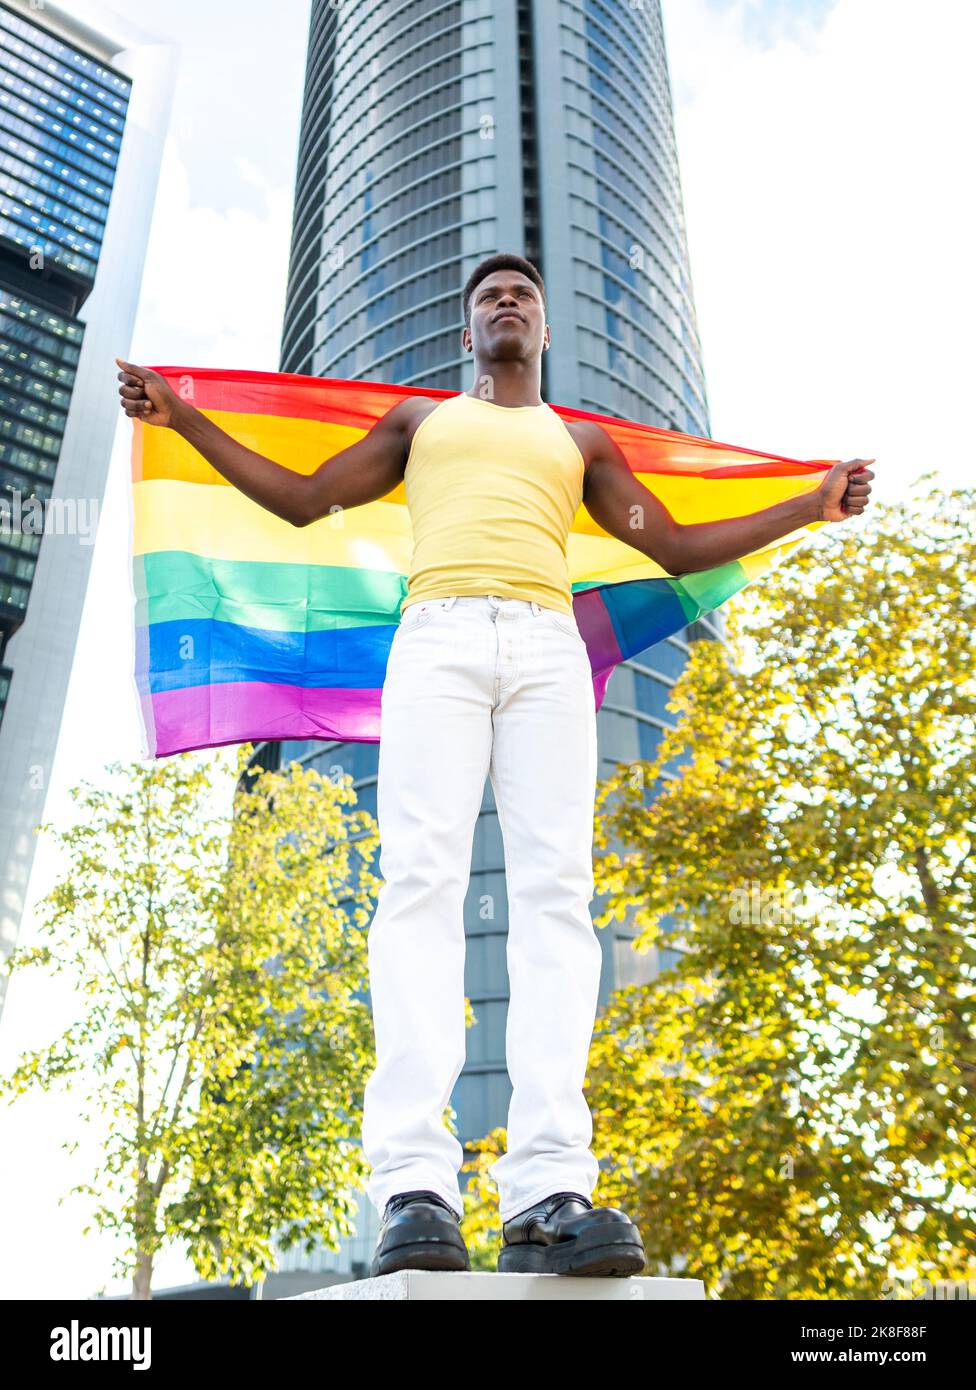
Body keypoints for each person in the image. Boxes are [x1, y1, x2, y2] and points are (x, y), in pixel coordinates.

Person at [116, 252, 873, 1279]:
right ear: (467, 334)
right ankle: (414, 1185)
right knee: (419, 882)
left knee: (558, 892)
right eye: (487, 299)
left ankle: (548, 1190)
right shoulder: (420, 424)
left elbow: (675, 542)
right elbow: (299, 499)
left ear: (543, 332)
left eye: (522, 296)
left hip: (547, 648)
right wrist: (183, 418)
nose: (506, 303)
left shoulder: (579, 439)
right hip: (434, 639)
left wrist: (810, 505)